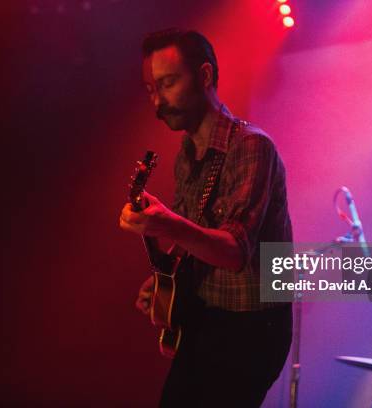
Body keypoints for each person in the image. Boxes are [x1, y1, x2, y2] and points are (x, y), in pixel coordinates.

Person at [119, 28, 293, 407]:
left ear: (205, 76)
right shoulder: (186, 154)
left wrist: (164, 222)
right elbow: (194, 242)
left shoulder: (251, 146)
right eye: (151, 89)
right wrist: (165, 284)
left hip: (251, 328)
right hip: (208, 317)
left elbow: (233, 252)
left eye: (167, 84)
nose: (157, 102)